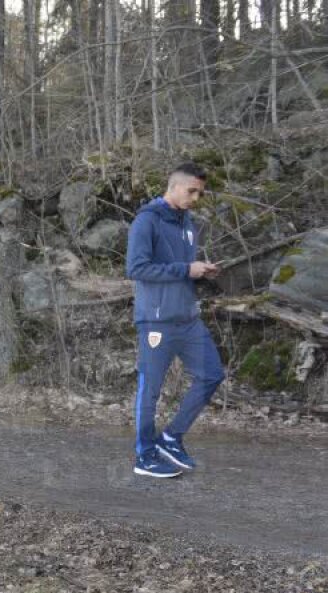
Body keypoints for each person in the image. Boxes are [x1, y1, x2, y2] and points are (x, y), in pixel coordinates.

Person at [127, 162, 224, 478]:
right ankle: (145, 455)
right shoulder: (147, 221)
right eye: (192, 191)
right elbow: (137, 269)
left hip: (188, 318)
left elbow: (181, 269)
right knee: (150, 390)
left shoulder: (188, 223)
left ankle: (170, 437)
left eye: (200, 193)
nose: (196, 198)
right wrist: (186, 269)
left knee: (211, 374)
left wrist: (201, 272)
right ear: (174, 185)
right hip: (156, 321)